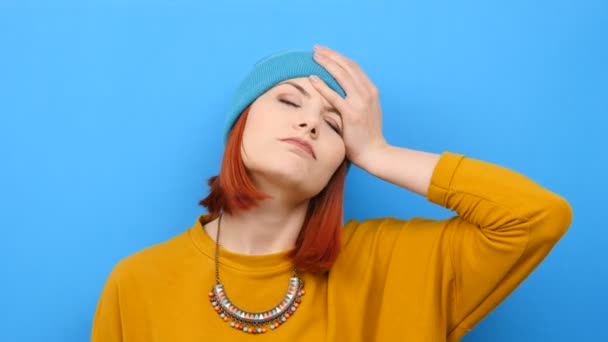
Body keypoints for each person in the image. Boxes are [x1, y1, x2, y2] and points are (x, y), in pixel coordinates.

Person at [90, 45, 573, 341]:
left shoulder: (399, 263)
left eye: (335, 123)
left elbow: (535, 216)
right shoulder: (138, 283)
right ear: (240, 124)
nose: (309, 122)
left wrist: (380, 153)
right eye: (288, 100)